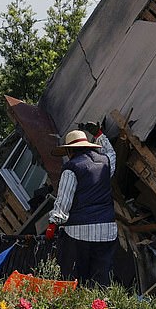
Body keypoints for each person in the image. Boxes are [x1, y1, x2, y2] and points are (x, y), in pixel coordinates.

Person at [46, 121, 117, 287]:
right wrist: (100, 135)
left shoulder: (72, 168)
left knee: (76, 278)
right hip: (108, 230)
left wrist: (53, 224)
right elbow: (111, 153)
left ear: (70, 151)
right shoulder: (105, 163)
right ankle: (100, 307)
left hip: (79, 232)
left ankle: (77, 308)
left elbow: (64, 201)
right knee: (101, 279)